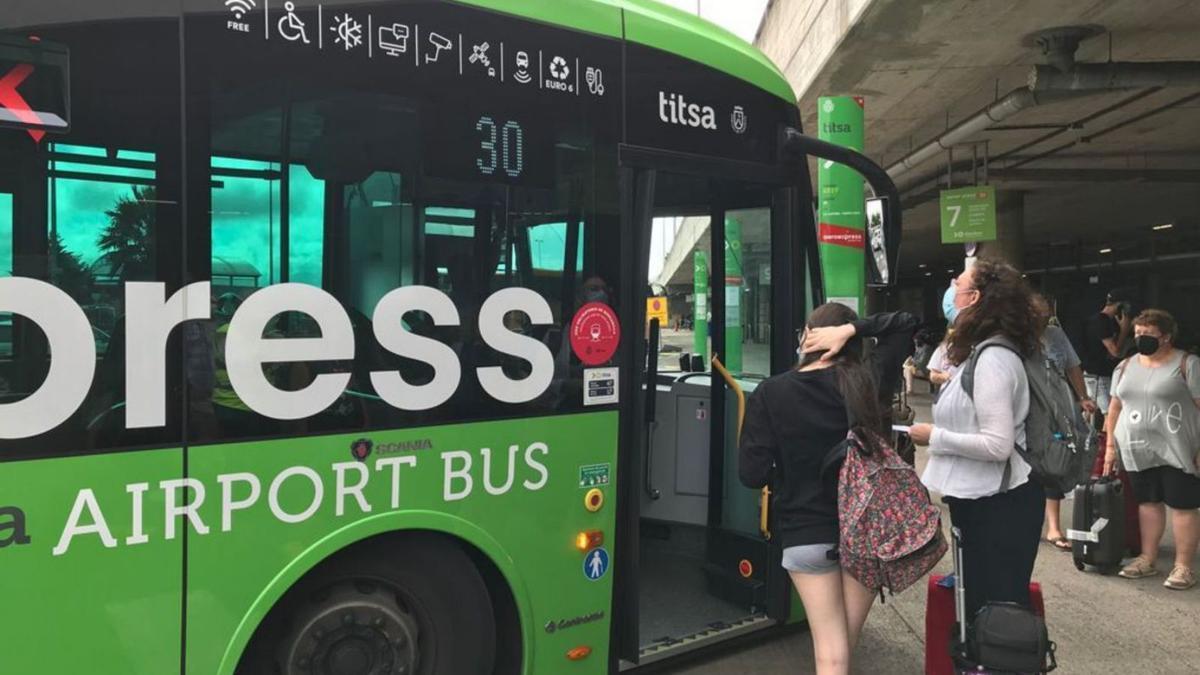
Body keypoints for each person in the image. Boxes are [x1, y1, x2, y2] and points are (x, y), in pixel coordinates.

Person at [740, 303, 915, 675]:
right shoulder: (867, 381)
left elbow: (750, 474)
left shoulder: (771, 393)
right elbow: (904, 322)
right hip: (867, 533)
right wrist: (854, 330)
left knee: (831, 654)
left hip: (806, 533)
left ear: (807, 337)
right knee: (840, 650)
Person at [907, 258, 1045, 620]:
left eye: (959, 282)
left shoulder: (994, 358)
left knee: (998, 607)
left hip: (1001, 505)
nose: (952, 284)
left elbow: (997, 445)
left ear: (975, 298)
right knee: (977, 604)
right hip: (981, 501)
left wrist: (935, 436)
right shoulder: (978, 353)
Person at [1103, 309, 1200, 590]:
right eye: (1137, 334)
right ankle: (1148, 558)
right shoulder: (1124, 366)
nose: (1140, 339)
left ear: (1166, 337)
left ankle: (1183, 567)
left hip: (1179, 448)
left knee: (1183, 505)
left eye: (1148, 334)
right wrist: (1110, 446)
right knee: (1147, 503)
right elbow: (1115, 407)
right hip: (1136, 449)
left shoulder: (1188, 364)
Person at [1038, 298, 1099, 550]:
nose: (1044, 319)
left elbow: (1073, 367)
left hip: (1059, 405)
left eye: (1047, 314)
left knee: (1058, 460)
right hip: (1030, 405)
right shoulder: (1014, 334)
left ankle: (1053, 527)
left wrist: (1082, 397)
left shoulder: (1056, 334)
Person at [1081, 290, 1133, 425]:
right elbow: (1115, 351)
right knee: (1109, 412)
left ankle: (1079, 435)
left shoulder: (1108, 321)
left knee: (1091, 408)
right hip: (1098, 373)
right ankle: (1106, 443)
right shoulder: (1101, 322)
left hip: (1095, 371)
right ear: (1119, 306)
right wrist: (1124, 330)